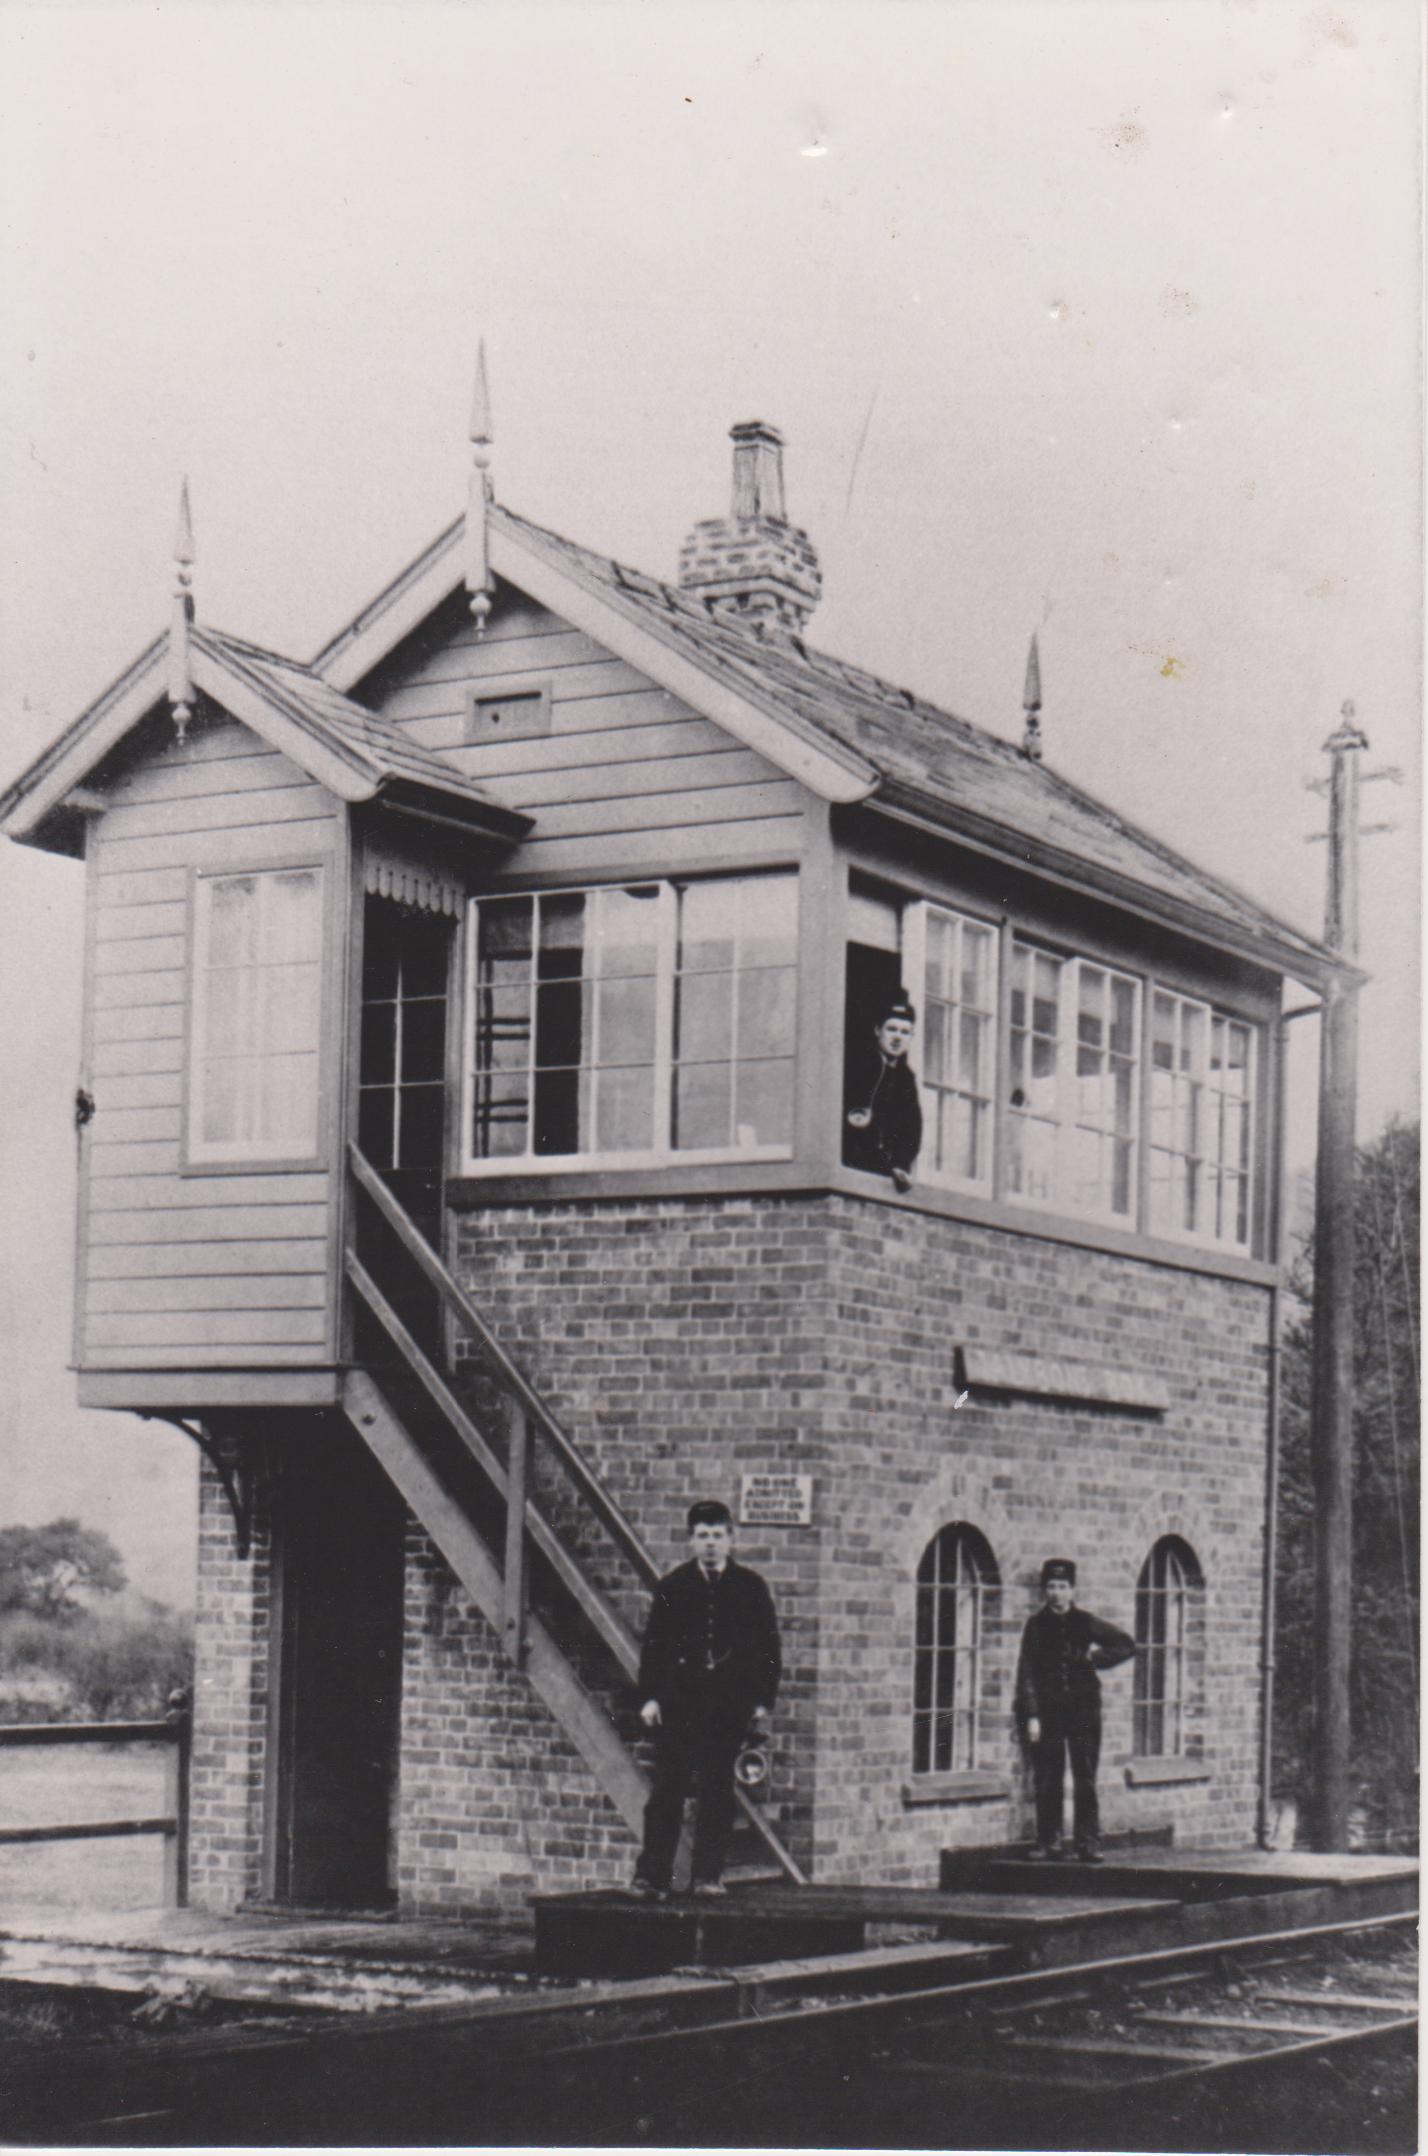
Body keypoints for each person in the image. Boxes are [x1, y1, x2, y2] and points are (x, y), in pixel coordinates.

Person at [630, 1499, 782, 1900]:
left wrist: (761, 1699)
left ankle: (707, 1877)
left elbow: (769, 1648)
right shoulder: (673, 1587)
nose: (710, 1544)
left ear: (731, 1539)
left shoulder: (751, 1588)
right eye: (702, 1536)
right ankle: (652, 1876)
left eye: (717, 1535)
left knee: (717, 1791)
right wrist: (650, 1698)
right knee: (667, 1791)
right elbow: (655, 1647)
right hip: (680, 1703)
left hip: (728, 1706)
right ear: (691, 1540)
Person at [1014, 1558, 1134, 1863]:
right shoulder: (1036, 1626)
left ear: (1072, 1590)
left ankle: (1087, 1842)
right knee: (1048, 1776)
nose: (1056, 1593)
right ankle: (1048, 1841)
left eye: (1062, 1586)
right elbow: (1026, 1672)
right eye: (1051, 1587)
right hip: (1050, 1713)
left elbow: (1126, 1644)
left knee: (1085, 1776)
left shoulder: (1085, 1622)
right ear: (1044, 1591)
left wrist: (1096, 1658)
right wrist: (1033, 1716)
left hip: (1083, 1711)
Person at [843, 992, 923, 1192]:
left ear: (911, 1037)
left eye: (905, 1032)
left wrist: (900, 1163)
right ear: (878, 1030)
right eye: (892, 1029)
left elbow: (912, 1128)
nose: (897, 1037)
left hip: (884, 1174)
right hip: (854, 1167)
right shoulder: (858, 1066)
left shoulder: (906, 1078)